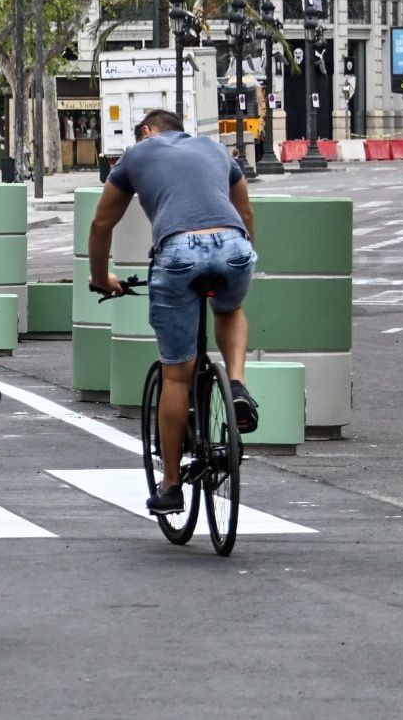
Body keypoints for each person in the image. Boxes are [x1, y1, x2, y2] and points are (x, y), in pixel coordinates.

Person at [86, 108, 258, 517]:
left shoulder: (136, 154)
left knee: (177, 374)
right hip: (234, 244)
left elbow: (101, 224)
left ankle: (170, 485)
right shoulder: (217, 151)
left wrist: (100, 277)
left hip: (178, 253)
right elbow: (247, 214)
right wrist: (243, 255)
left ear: (147, 131)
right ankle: (236, 386)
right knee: (229, 308)